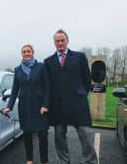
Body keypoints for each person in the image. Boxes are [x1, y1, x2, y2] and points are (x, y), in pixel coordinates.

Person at [44, 29, 97, 164]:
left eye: (62, 40)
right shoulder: (48, 61)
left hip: (77, 103)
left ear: (67, 41)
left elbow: (86, 79)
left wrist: (80, 93)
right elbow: (48, 84)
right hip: (58, 105)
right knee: (59, 138)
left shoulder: (79, 57)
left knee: (86, 136)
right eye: (57, 41)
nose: (60, 43)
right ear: (54, 43)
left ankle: (90, 161)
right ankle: (64, 161)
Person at [3, 44, 50, 164]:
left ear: (33, 52)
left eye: (28, 51)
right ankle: (29, 160)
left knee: (42, 134)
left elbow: (47, 88)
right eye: (24, 52)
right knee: (27, 134)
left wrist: (45, 105)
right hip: (25, 107)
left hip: (40, 107)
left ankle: (44, 160)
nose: (26, 53)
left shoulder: (41, 67)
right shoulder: (17, 70)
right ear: (21, 54)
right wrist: (9, 106)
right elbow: (14, 91)